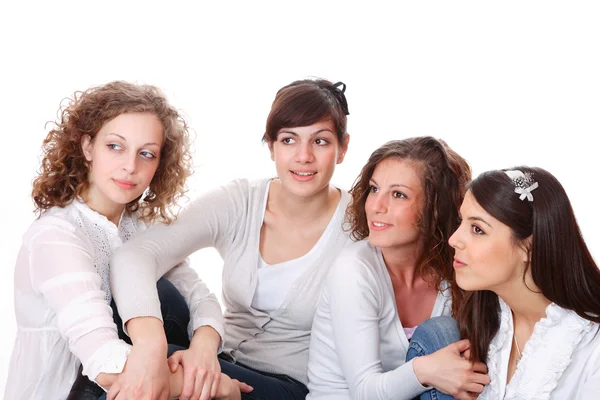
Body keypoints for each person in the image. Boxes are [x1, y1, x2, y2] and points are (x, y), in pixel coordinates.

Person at [109, 78, 353, 399]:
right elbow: (135, 255)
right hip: (224, 356)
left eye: (320, 142)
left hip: (292, 385)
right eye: (289, 140)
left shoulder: (360, 225)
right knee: (149, 309)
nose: (303, 156)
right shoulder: (241, 202)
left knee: (158, 367)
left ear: (342, 148)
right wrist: (171, 346)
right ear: (271, 146)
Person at [5, 81, 247, 400]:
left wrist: (202, 350)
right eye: (115, 146)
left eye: (146, 153)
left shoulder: (141, 226)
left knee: (276, 388)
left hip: (140, 379)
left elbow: (200, 299)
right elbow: (105, 362)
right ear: (88, 146)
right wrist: (219, 387)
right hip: (77, 391)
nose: (130, 167)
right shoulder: (57, 236)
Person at [307, 137, 490, 400]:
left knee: (447, 336)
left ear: (435, 207)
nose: (376, 206)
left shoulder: (457, 269)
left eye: (398, 194)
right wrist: (426, 369)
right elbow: (364, 391)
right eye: (373, 189)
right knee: (441, 334)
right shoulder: (354, 270)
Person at [450, 167, 600, 399]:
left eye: (477, 229)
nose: (454, 240)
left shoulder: (591, 350)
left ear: (528, 247)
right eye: (461, 222)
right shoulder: (484, 321)